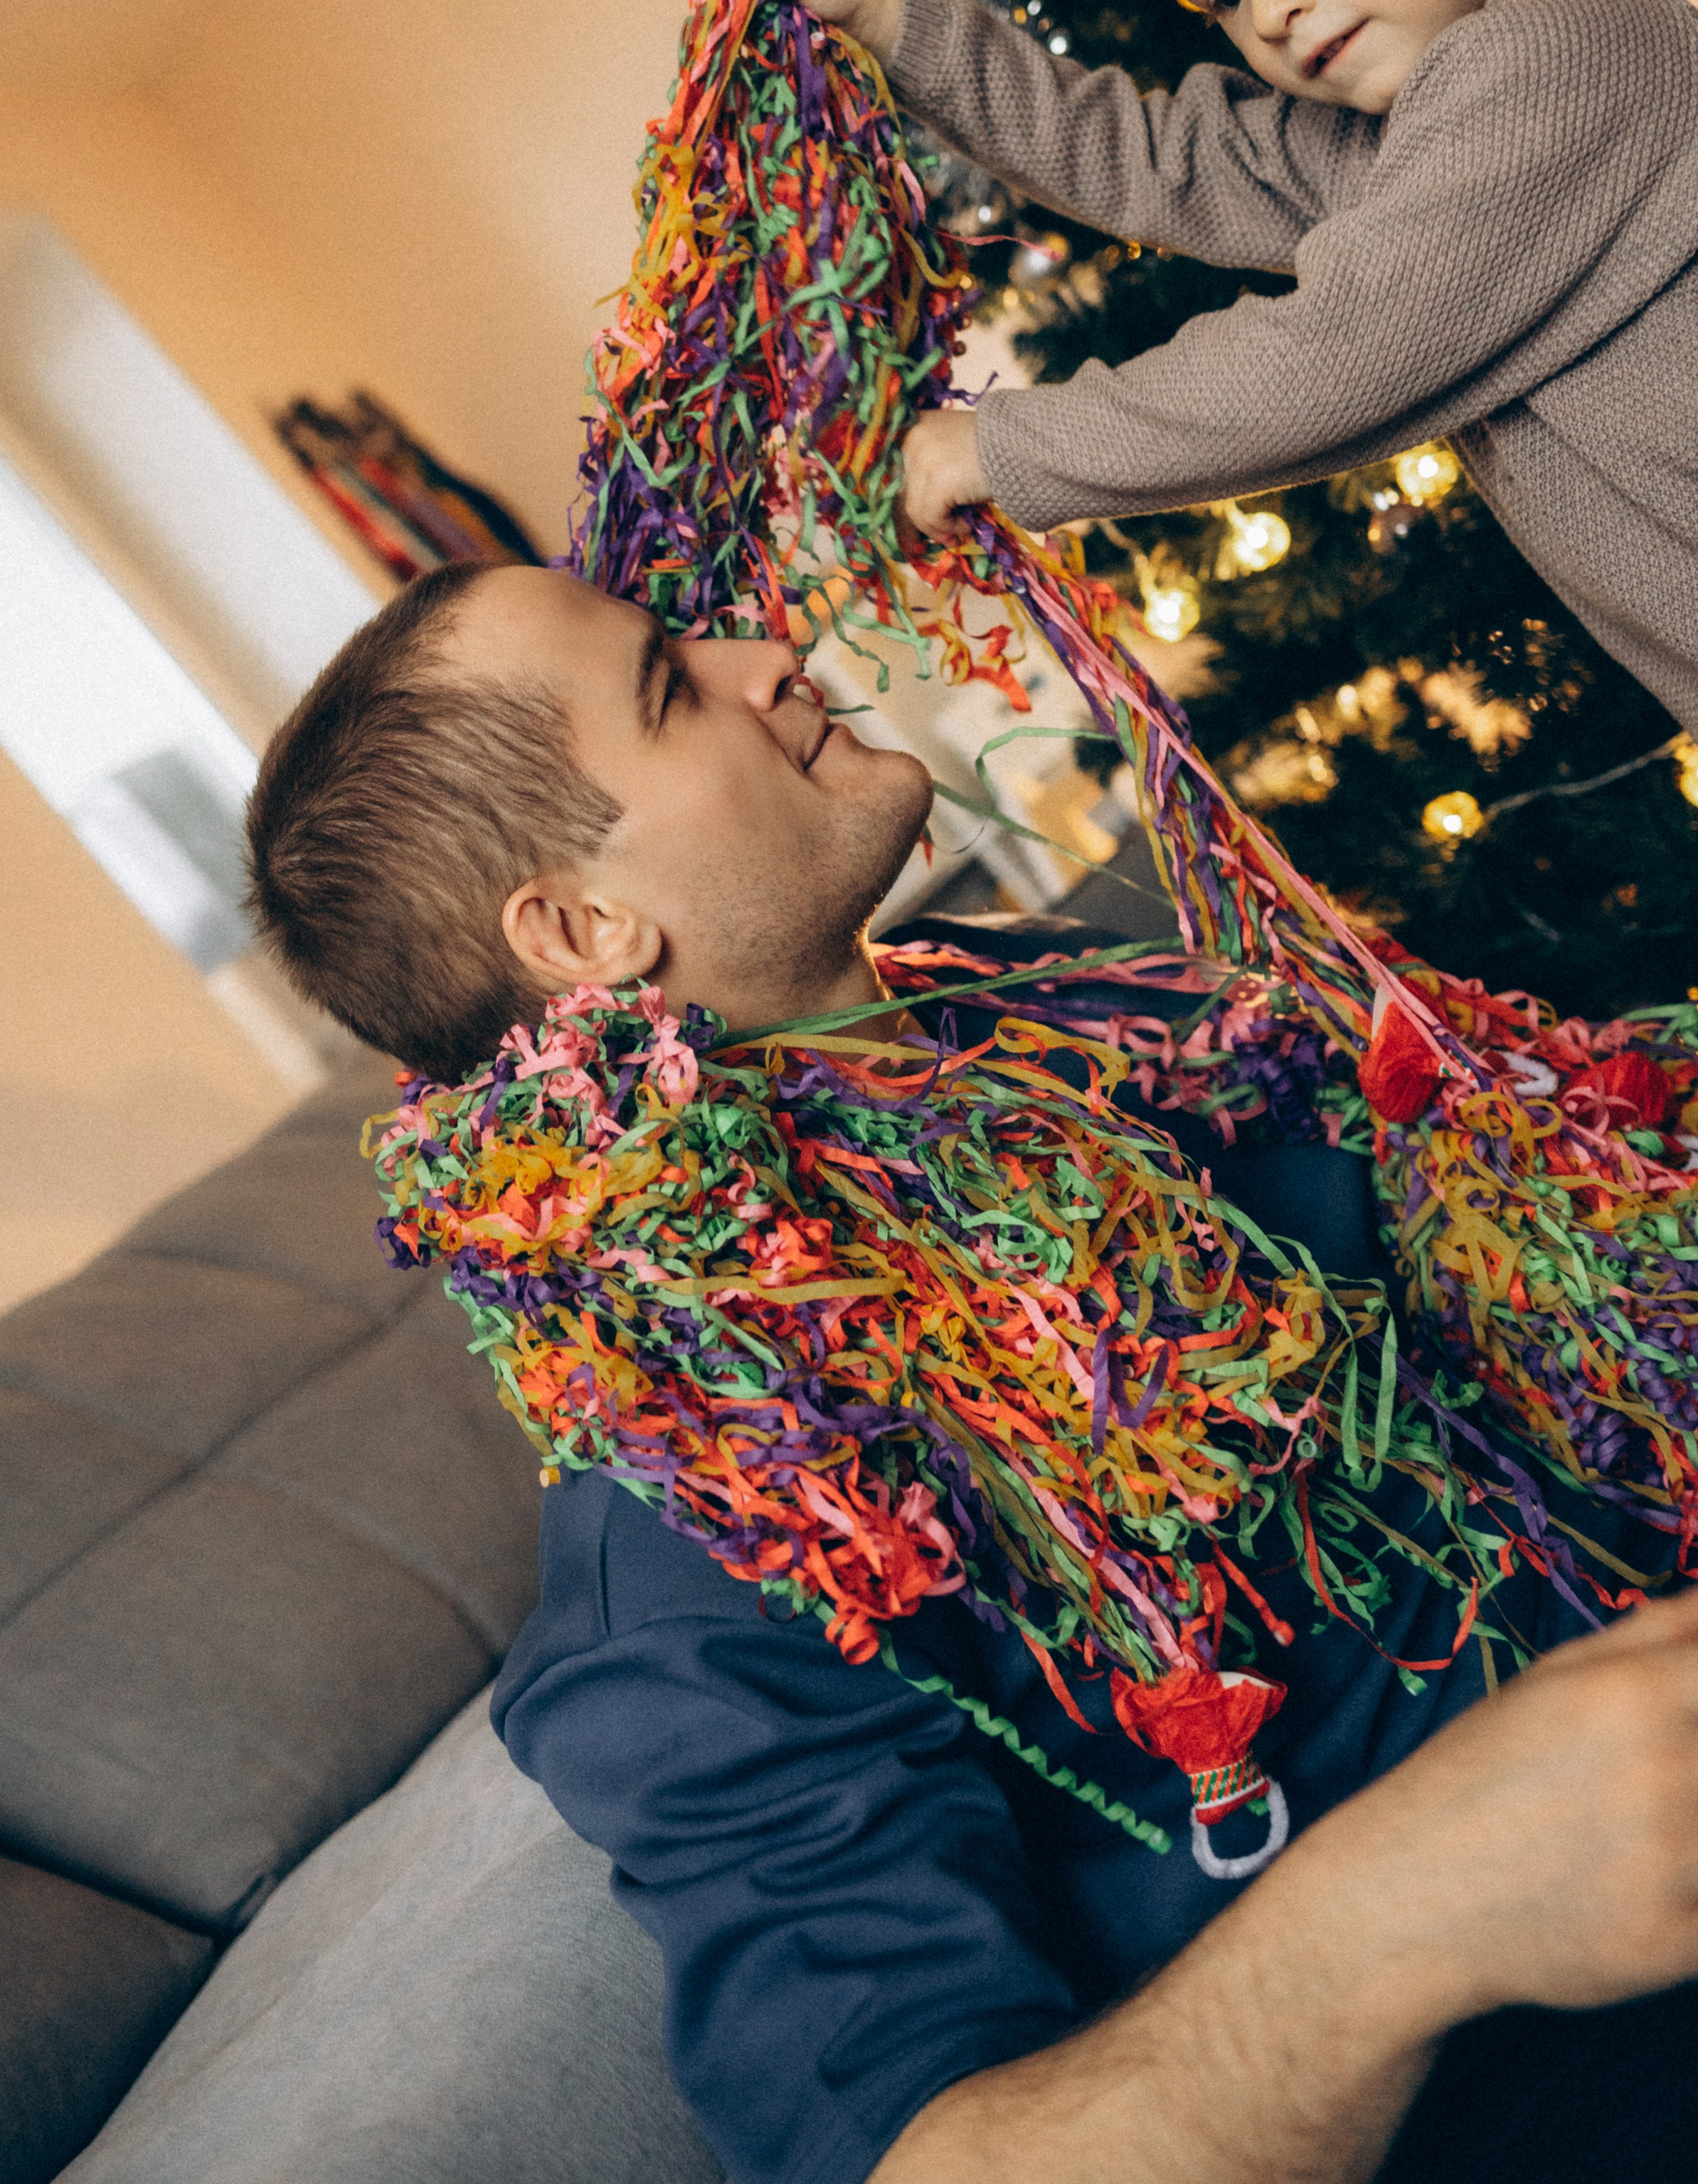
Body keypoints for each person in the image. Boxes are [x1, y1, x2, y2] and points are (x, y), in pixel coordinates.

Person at [233, 555, 1698, 2184]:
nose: (765, 653)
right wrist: (1410, 1906)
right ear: (585, 930)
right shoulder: (702, 1542)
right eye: (668, 684)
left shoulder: (1047, 1019)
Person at [722, 0, 1698, 735]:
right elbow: (1150, 157)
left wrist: (1009, 442)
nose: (1272, 10)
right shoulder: (1396, 139)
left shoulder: (1572, 64)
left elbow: (1339, 351)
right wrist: (892, 26)